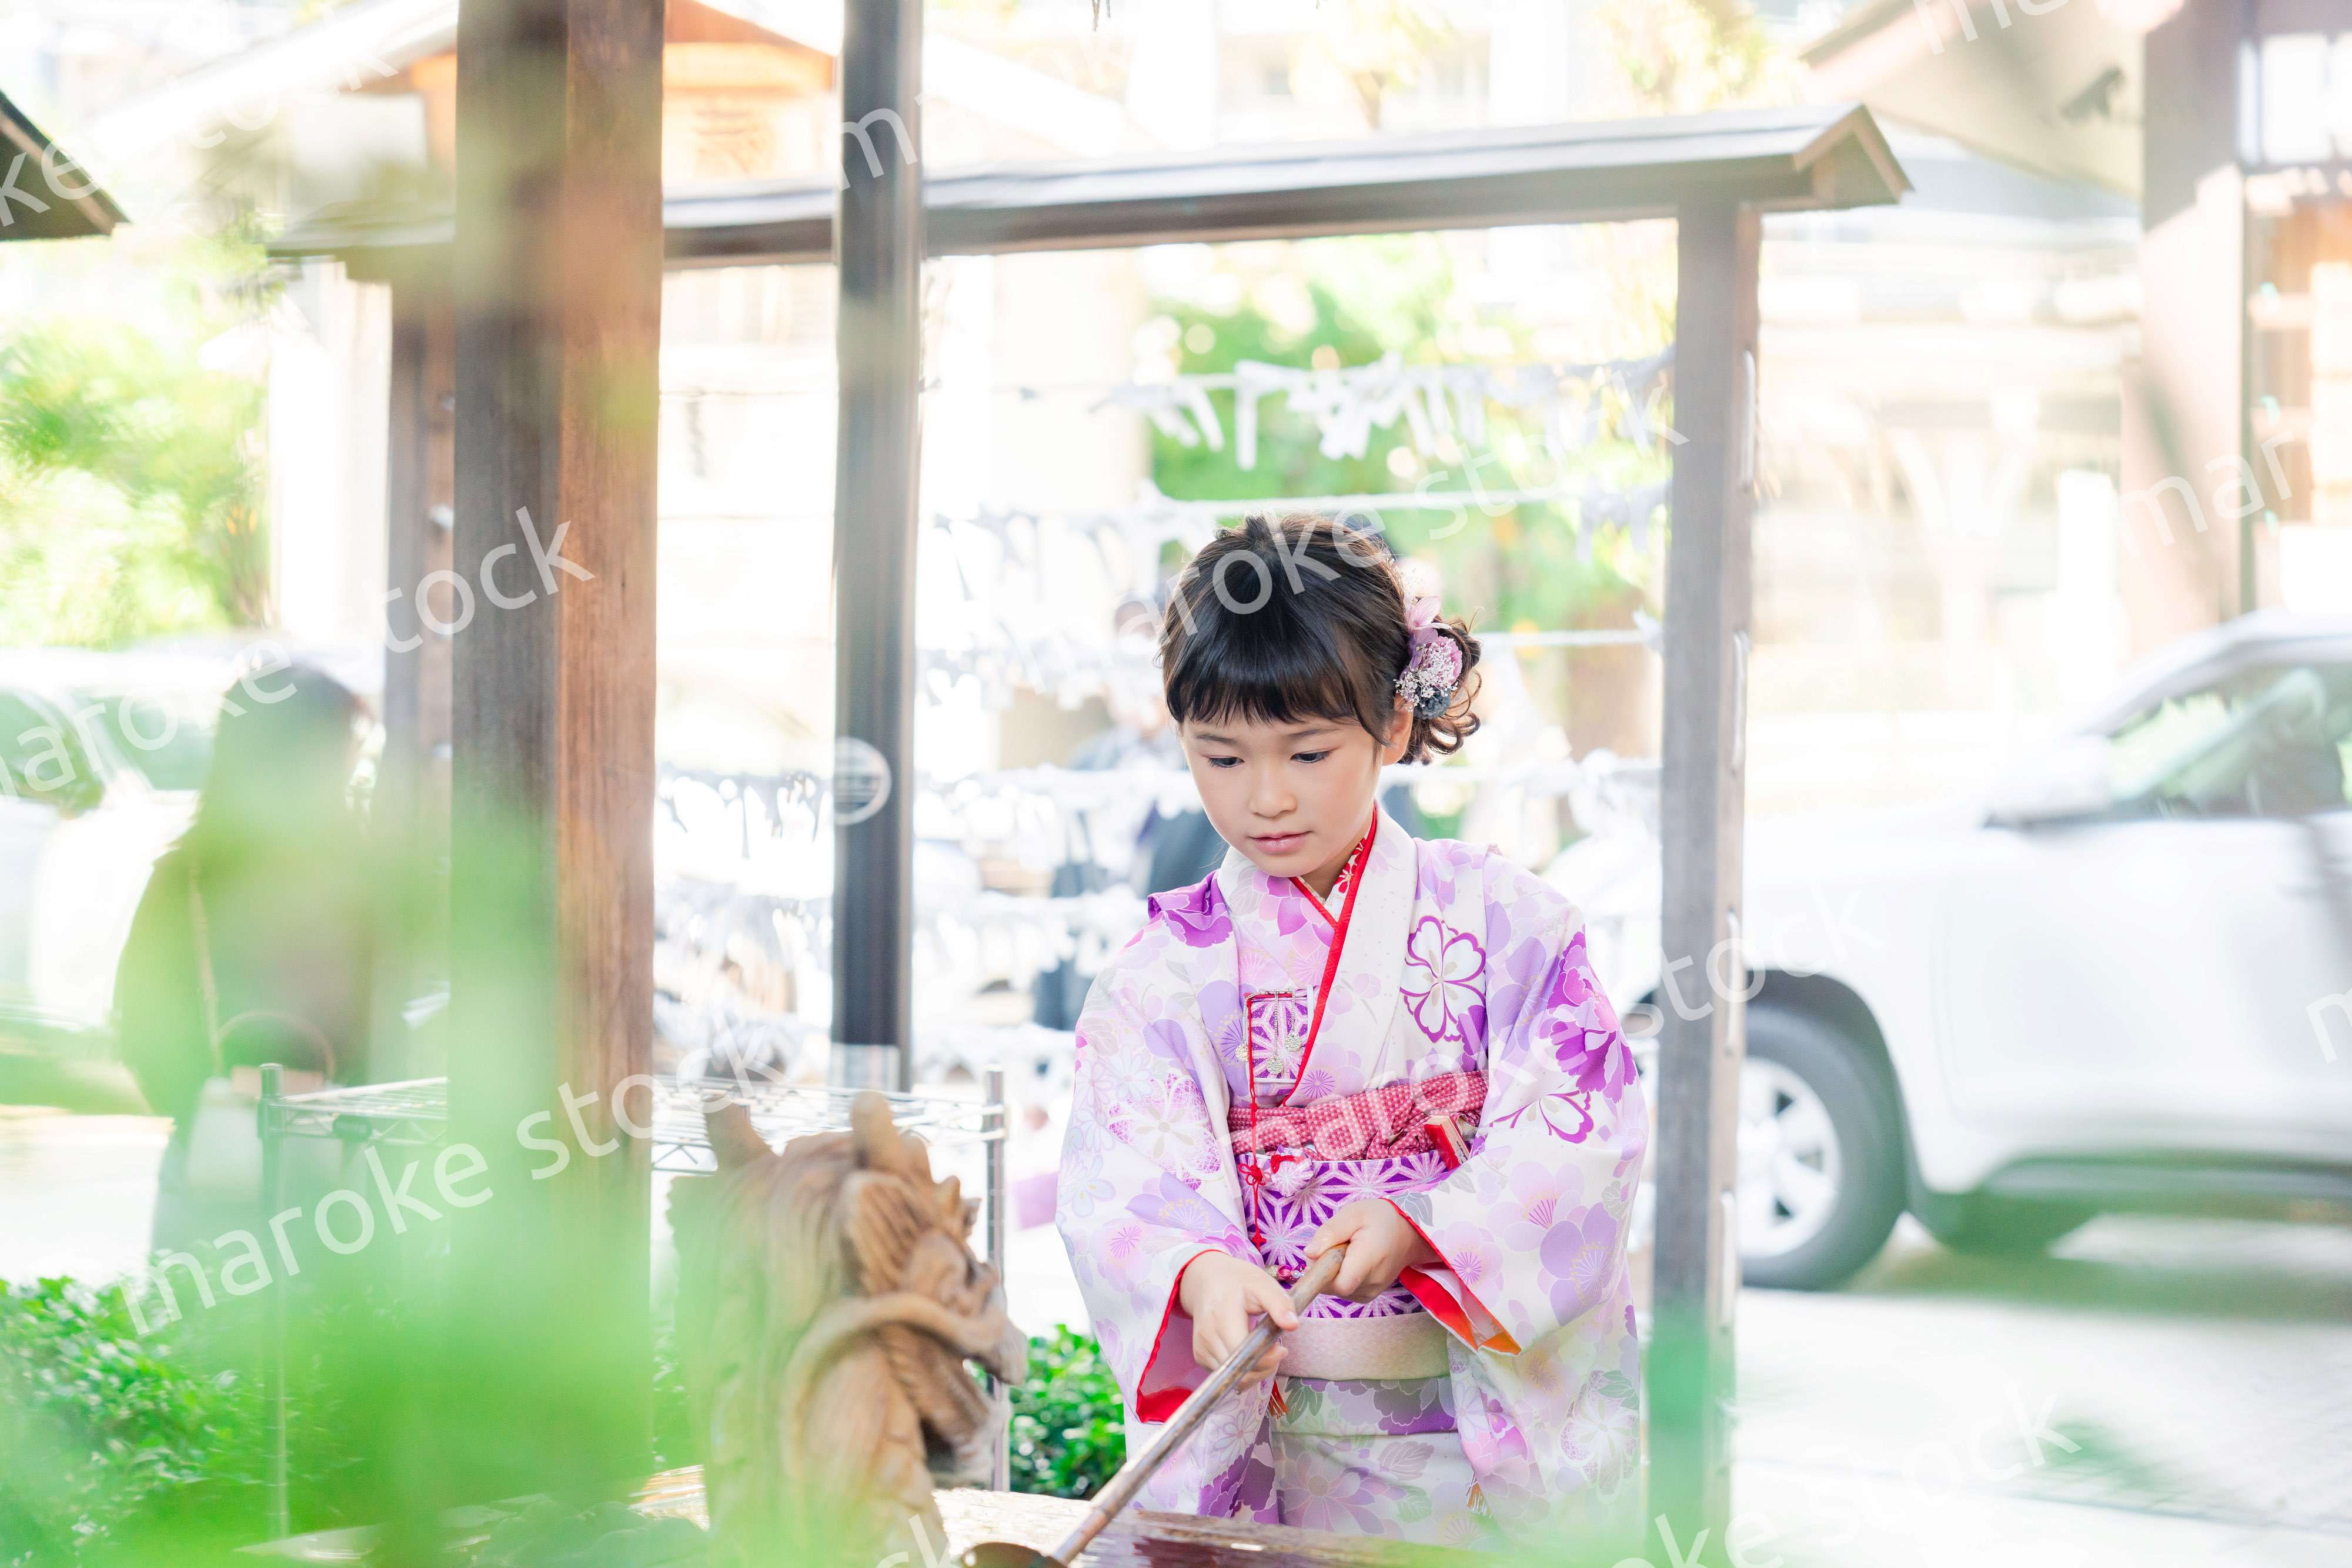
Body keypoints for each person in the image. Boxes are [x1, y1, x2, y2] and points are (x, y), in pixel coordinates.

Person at [1054, 515, 1646, 1552]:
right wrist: (1198, 1272)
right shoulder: (1162, 974)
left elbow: (1583, 1127)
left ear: (1394, 723)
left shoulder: (1509, 923)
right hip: (1283, 1437)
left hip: (1472, 1440)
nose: (1266, 796)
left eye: (1309, 750)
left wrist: (1428, 1224)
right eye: (1222, 755)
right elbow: (1122, 1179)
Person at [116, 666, 376, 1254]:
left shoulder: (185, 877)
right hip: (336, 1181)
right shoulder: (367, 881)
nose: (353, 761)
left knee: (203, 1308)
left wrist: (213, 1106)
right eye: (343, 743)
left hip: (214, 1164)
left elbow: (141, 1030)